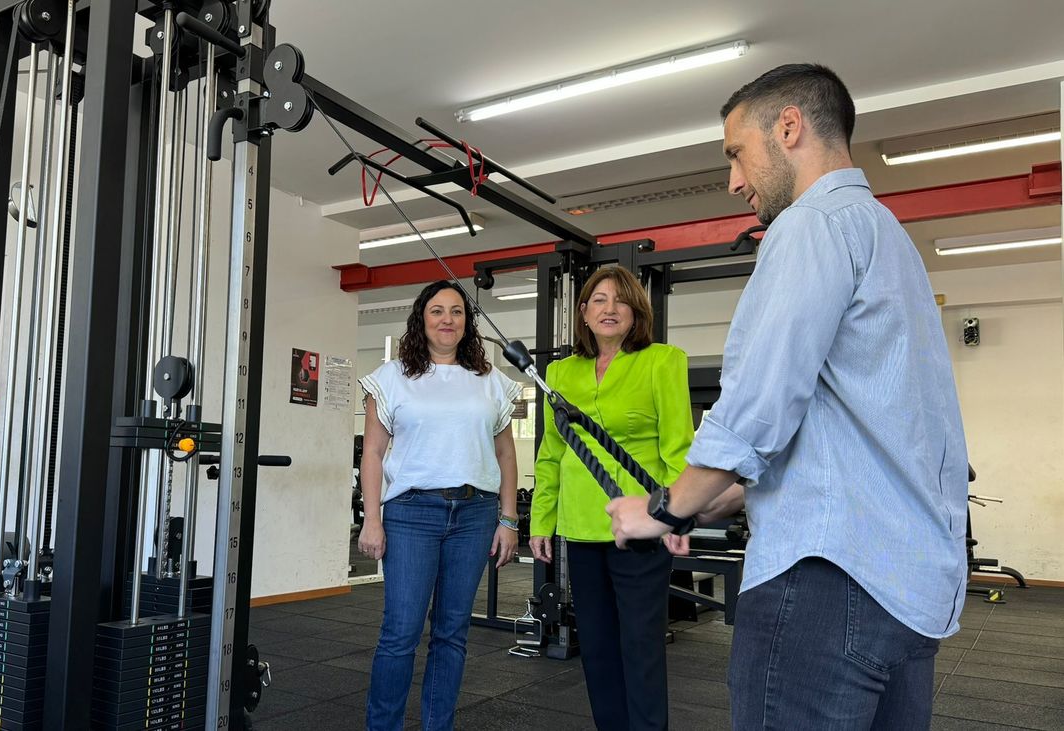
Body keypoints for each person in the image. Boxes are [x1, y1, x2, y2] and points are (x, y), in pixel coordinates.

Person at [606, 63, 969, 730]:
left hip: (824, 584)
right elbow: (845, 434)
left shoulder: (810, 227)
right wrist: (707, 500)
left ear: (790, 127)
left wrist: (664, 508)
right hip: (906, 593)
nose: (734, 180)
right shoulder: (891, 239)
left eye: (736, 154)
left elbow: (757, 408)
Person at [528, 265, 692, 730]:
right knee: (597, 648)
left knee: (640, 648)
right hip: (581, 526)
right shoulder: (560, 372)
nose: (609, 308)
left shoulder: (663, 361)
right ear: (582, 313)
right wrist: (543, 520)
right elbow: (551, 453)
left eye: (620, 300)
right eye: (598, 300)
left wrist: (677, 517)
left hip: (641, 527)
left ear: (636, 310)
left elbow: (677, 449)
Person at [356, 280, 522, 731]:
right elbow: (372, 454)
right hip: (412, 513)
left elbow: (506, 455)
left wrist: (509, 519)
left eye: (456, 312)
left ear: (468, 323)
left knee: (452, 634)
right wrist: (372, 519)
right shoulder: (391, 377)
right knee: (401, 634)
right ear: (421, 319)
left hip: (475, 514)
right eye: (437, 311)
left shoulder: (490, 381)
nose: (447, 319)